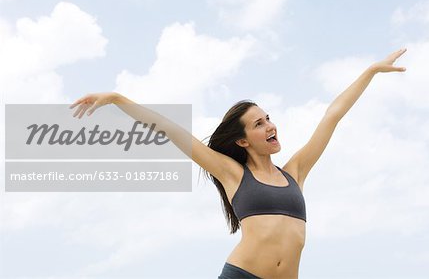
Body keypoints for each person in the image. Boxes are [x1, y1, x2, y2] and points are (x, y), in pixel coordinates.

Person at [70, 48, 407, 278]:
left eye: (268, 118)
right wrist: (116, 99)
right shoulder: (232, 173)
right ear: (243, 141)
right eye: (258, 124)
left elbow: (332, 115)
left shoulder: (295, 172)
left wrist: (371, 71)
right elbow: (170, 130)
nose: (270, 125)